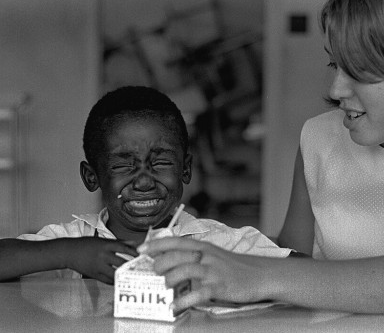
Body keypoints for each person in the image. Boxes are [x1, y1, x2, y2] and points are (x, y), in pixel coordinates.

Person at [138, 0, 384, 314]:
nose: (336, 88)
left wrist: (258, 273)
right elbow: (294, 261)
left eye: (359, 72)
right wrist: (216, 259)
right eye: (334, 65)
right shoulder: (318, 137)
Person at [0, 86, 290, 284]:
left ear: (185, 169)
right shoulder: (75, 239)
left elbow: (301, 271)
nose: (143, 181)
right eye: (123, 165)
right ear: (92, 177)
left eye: (161, 162)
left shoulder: (218, 243)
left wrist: (234, 271)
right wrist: (69, 254)